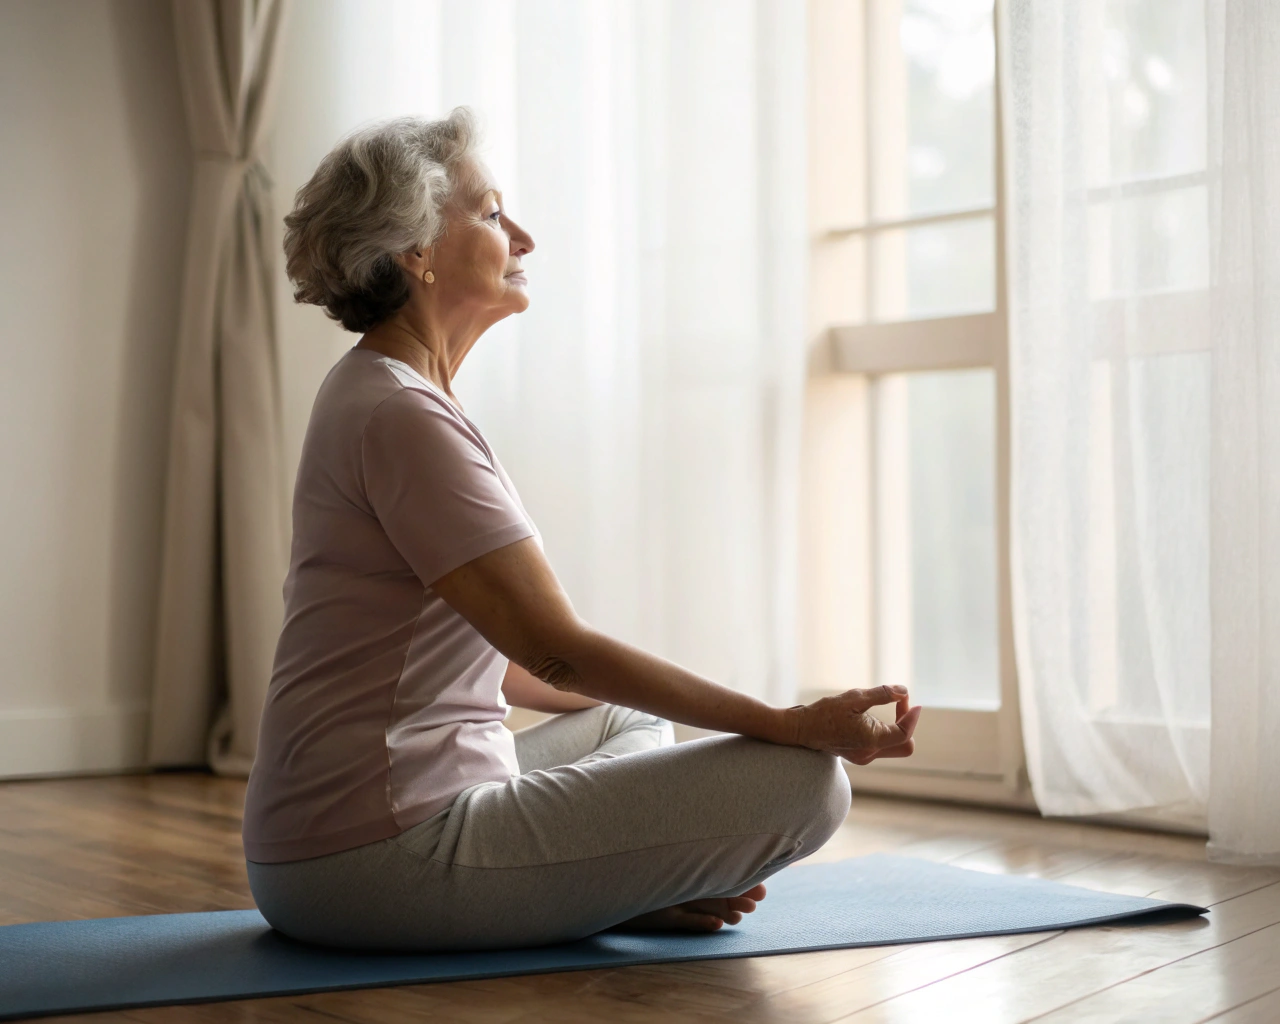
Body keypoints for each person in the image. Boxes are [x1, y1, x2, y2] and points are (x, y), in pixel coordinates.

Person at [241, 107, 923, 952]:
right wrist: (785, 724)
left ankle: (592, 889)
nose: (521, 236)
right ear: (414, 251)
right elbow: (553, 647)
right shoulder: (401, 415)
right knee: (807, 786)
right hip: (377, 859)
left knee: (625, 726)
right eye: (491, 214)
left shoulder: (383, 393)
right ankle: (591, 892)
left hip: (329, 849)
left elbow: (511, 664)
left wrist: (703, 723)